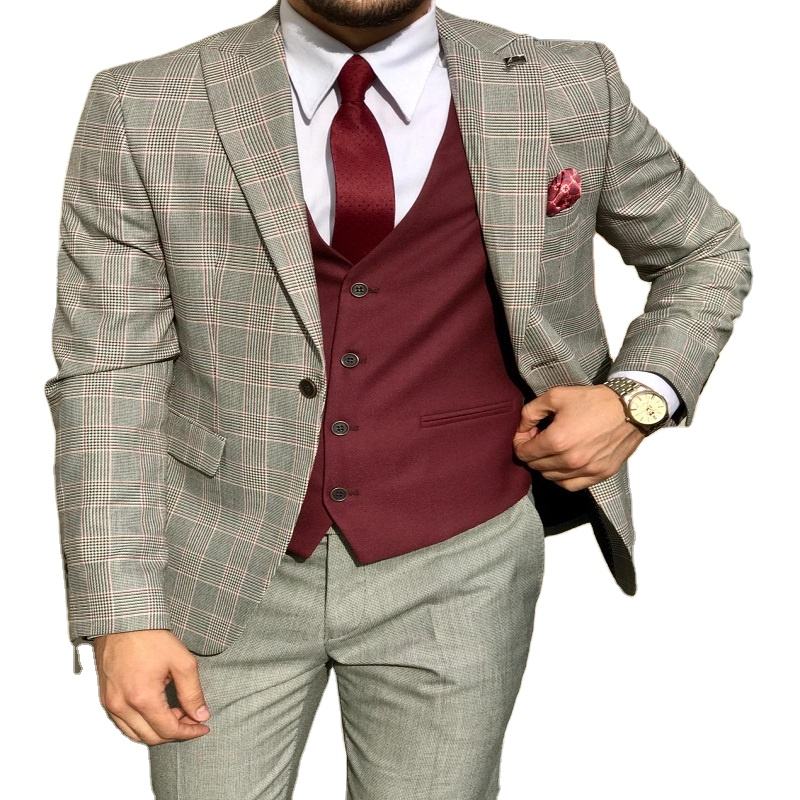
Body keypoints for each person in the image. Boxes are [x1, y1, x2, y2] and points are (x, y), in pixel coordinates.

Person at [45, 0, 751, 797]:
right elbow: (108, 368)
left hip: (463, 559)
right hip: (220, 557)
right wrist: (121, 610)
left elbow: (704, 250)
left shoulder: (566, 84)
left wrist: (635, 398)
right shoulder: (144, 103)